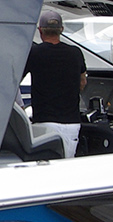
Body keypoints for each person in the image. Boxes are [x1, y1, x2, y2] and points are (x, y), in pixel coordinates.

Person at [23, 9, 86, 159]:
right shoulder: (75, 53)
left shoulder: (34, 53)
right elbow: (82, 82)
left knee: (45, 164)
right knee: (66, 164)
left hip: (44, 122)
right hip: (71, 123)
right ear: (61, 30)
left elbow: (15, 81)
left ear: (40, 30)